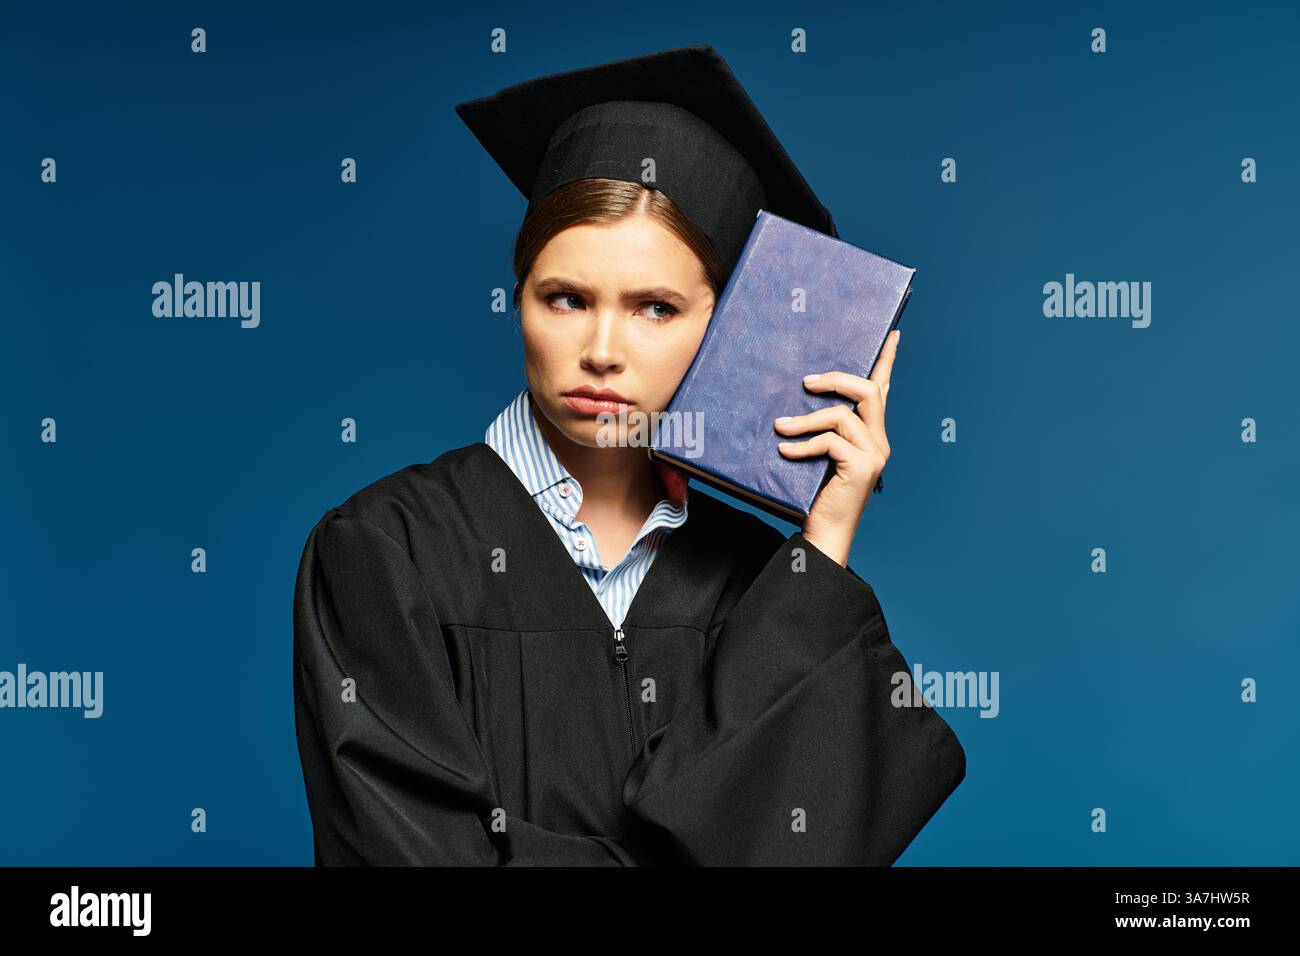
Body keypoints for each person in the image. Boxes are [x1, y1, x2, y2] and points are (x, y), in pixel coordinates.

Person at [292, 44, 965, 866]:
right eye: (566, 298)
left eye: (655, 308)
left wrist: (820, 547)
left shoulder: (761, 579)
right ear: (518, 301)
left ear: (722, 330)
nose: (601, 350)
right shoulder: (384, 549)